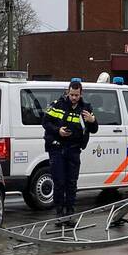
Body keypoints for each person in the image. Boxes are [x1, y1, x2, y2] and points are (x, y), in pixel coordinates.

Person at [42, 80, 99, 217]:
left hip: (74, 150)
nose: (74, 98)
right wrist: (58, 131)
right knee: (59, 181)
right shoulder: (58, 105)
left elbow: (94, 129)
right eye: (72, 94)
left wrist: (92, 121)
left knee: (71, 183)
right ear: (68, 92)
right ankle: (59, 213)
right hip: (57, 149)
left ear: (81, 93)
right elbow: (45, 122)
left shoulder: (86, 108)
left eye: (76, 95)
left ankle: (70, 212)